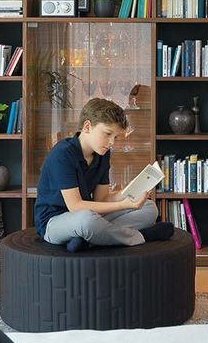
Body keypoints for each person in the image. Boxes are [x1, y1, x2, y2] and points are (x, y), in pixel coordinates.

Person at [34, 97, 174, 253]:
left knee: (150, 208)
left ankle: (89, 240)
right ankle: (141, 236)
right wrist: (124, 205)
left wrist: (127, 193)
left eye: (115, 137)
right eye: (107, 134)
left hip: (89, 215)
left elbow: (102, 199)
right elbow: (76, 206)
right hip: (54, 223)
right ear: (87, 126)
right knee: (86, 221)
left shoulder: (102, 154)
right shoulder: (62, 154)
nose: (112, 142)